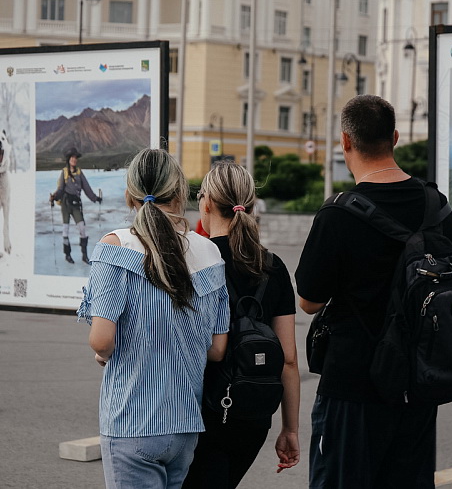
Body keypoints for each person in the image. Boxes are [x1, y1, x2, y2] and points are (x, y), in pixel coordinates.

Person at [295, 95, 452, 489]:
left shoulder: (337, 214)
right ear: (394, 137)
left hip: (353, 387)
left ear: (345, 142)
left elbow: (309, 300)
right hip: (418, 383)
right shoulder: (437, 207)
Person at [77, 148, 230, 489]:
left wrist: (104, 355)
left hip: (132, 421)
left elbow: (102, 340)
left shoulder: (116, 245)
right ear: (179, 192)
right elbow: (217, 349)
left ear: (131, 194)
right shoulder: (209, 252)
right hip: (186, 425)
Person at [183, 161, 300, 488]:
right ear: (248, 206)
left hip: (200, 411)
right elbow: (289, 360)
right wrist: (289, 430)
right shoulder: (273, 266)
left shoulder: (193, 259)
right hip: (253, 414)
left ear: (205, 203)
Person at [49, 147, 102, 264]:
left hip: (76, 205)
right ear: (68, 159)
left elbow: (86, 188)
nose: (74, 160)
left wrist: (95, 198)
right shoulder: (64, 172)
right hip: (66, 204)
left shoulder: (79, 172)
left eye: (75, 158)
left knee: (82, 228)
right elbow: (61, 189)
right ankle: (67, 255)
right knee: (65, 229)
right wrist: (55, 197)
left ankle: (84, 256)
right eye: (72, 157)